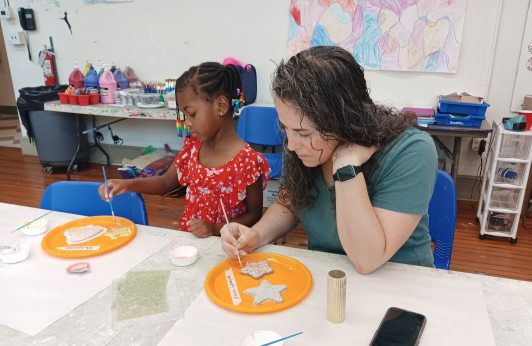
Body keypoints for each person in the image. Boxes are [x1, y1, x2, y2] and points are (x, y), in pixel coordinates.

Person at [221, 46, 438, 273]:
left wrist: (346, 165)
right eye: (286, 128)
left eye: (303, 133)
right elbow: (289, 203)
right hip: (330, 275)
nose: (292, 145)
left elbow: (367, 260)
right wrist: (256, 234)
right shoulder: (301, 145)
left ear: (343, 120)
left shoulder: (411, 150)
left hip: (401, 284)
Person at [99, 62, 271, 238]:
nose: (188, 122)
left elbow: (254, 214)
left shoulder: (248, 161)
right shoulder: (193, 147)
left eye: (192, 114)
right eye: (184, 115)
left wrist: (214, 228)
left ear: (221, 106)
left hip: (228, 247)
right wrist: (127, 185)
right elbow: (166, 182)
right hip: (190, 241)